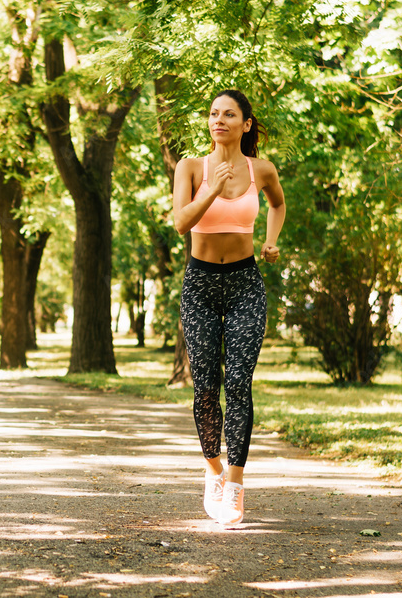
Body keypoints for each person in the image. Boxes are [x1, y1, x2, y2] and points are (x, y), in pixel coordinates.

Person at [171, 89, 286, 526]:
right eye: (214, 113)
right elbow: (182, 221)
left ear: (246, 124)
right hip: (200, 284)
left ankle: (235, 486)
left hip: (244, 284)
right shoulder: (191, 168)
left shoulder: (262, 169)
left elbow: (277, 204)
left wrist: (271, 240)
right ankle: (214, 470)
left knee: (238, 382)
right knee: (205, 385)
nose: (219, 120)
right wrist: (212, 188)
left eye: (229, 114)